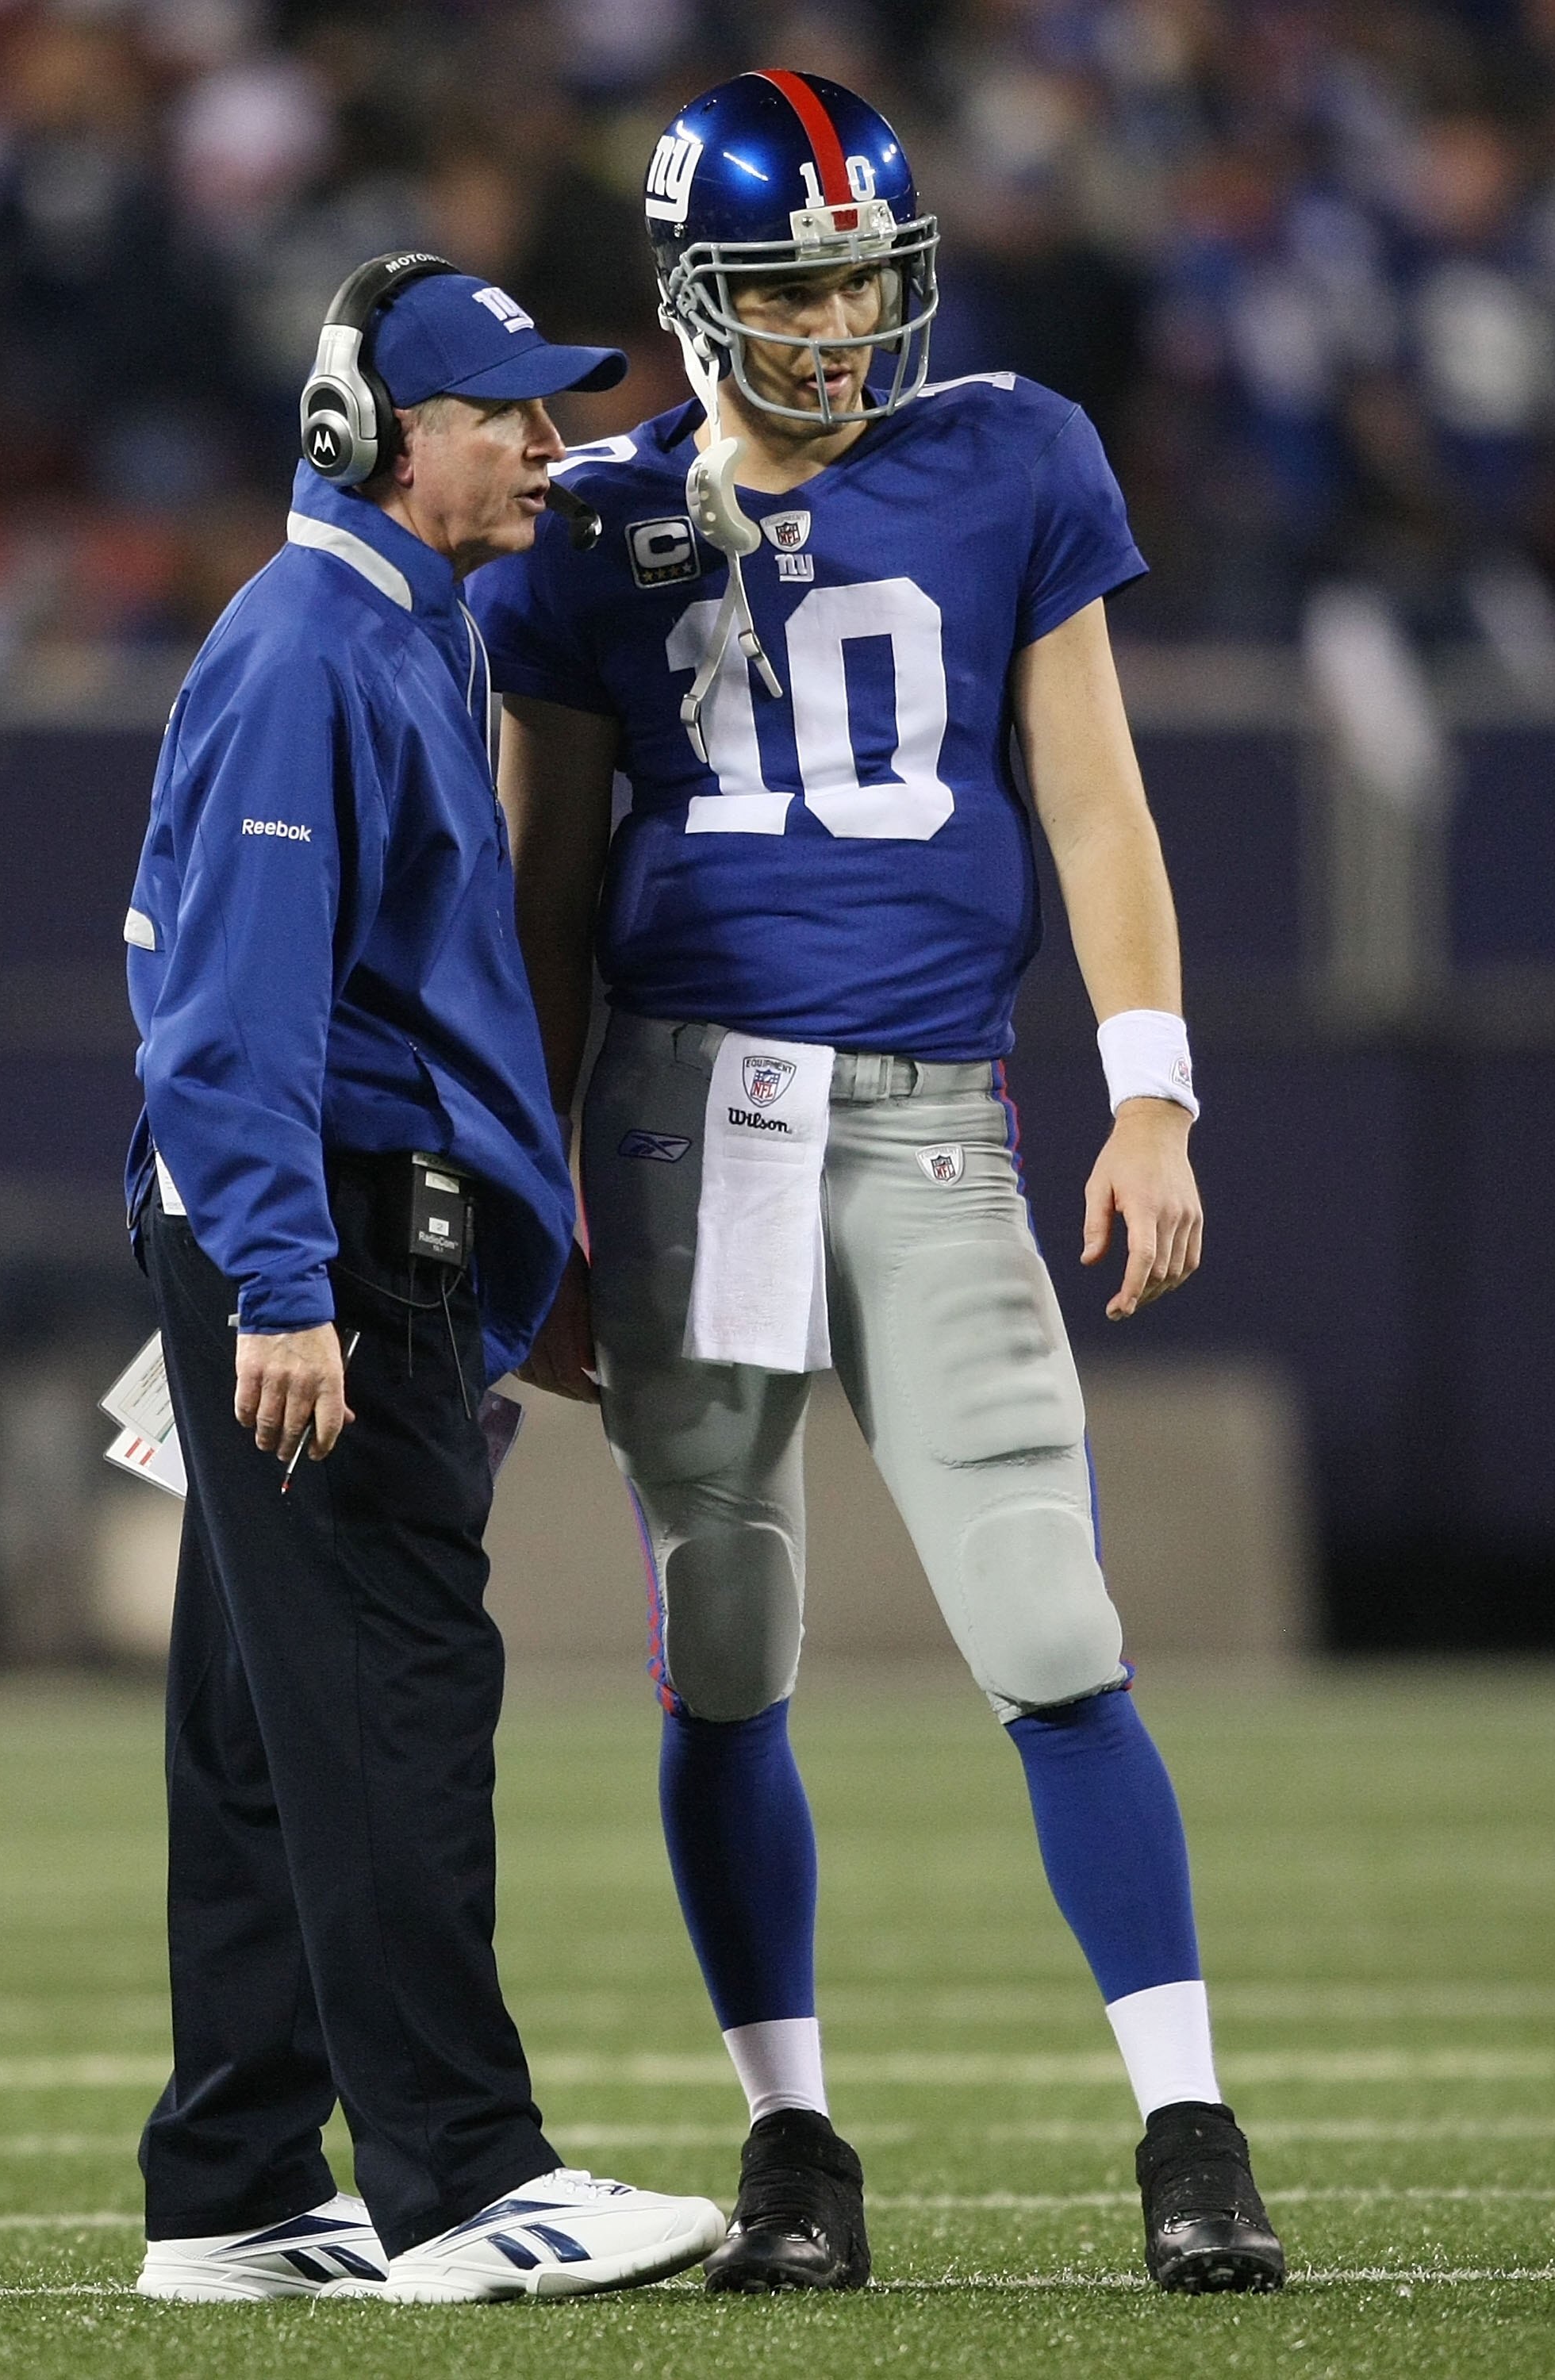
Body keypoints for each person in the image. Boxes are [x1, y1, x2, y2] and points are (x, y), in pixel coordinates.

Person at [470, 75, 1288, 2297]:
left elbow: (1094, 802)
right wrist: (529, 1174)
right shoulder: (596, 520)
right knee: (723, 1650)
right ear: (691, 297)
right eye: (790, 283)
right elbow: (543, 889)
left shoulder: (1013, 451)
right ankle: (790, 2145)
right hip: (676, 1118)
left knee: (1047, 1621)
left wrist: (1151, 1090)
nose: (835, 323)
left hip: (927, 1107)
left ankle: (1188, 2130)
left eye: (859, 275)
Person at [121, 251, 724, 2305]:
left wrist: (679, 460)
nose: (545, 451)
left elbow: (605, 472)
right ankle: (464, 2178)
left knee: (261, 1715)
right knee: (390, 1686)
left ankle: (231, 2182)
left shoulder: (392, 617)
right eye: (507, 419)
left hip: (345, 1221)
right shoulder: (315, 645)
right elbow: (229, 1016)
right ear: (375, 438)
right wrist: (282, 1276)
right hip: (327, 1229)